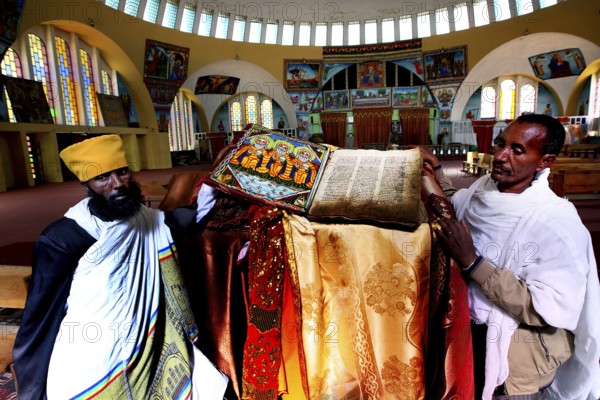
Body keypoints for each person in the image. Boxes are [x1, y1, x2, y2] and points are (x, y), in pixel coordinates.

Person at [12, 135, 228, 399]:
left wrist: (207, 196)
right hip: (90, 351)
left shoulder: (143, 218)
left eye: (122, 172)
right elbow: (40, 316)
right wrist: (32, 387)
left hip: (144, 340)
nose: (118, 184)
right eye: (102, 178)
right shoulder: (62, 238)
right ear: (86, 184)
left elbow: (172, 222)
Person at [419, 114, 600, 399]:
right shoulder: (483, 190)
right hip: (470, 336)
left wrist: (473, 263)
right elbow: (456, 205)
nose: (501, 156)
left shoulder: (557, 222)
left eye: (517, 150)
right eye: (500, 144)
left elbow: (541, 309)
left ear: (544, 161)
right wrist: (436, 170)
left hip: (518, 361)